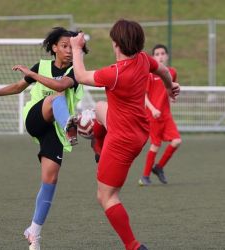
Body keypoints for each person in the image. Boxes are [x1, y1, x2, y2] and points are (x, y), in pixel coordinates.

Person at [70, 19, 180, 250]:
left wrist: (77, 48)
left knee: (106, 197)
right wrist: (170, 86)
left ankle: (133, 246)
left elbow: (80, 76)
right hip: (138, 129)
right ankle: (98, 148)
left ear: (116, 44)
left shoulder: (115, 74)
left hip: (122, 140)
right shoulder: (142, 60)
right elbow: (161, 71)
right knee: (100, 108)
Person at [0, 27, 88, 250]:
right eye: (64, 46)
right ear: (55, 47)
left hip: (54, 129)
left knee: (50, 179)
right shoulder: (43, 65)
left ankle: (33, 232)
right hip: (36, 118)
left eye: (72, 47)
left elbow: (59, 84)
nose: (68, 51)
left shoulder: (75, 72)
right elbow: (20, 87)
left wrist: (32, 74)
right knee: (54, 99)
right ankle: (70, 125)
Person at [139, 44, 182, 186]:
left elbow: (171, 89)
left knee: (177, 141)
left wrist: (173, 96)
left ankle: (158, 167)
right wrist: (152, 109)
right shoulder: (149, 74)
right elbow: (143, 96)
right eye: (157, 54)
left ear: (167, 56)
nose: (160, 56)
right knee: (155, 145)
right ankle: (144, 176)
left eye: (163, 53)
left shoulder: (172, 72)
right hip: (153, 115)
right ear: (153, 58)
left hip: (166, 114)